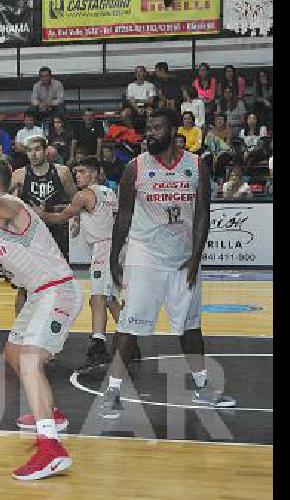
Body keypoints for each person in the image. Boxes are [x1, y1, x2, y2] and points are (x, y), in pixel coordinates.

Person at [0, 158, 82, 481]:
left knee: (31, 361)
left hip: (57, 291)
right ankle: (53, 415)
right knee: (14, 354)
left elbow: (0, 205)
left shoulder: (12, 206)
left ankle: (51, 449)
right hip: (38, 296)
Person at [100, 108, 237, 421]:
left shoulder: (196, 165)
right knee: (129, 324)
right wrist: (114, 258)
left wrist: (196, 256)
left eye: (157, 128)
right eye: (148, 128)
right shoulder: (135, 167)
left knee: (190, 325)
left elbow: (202, 214)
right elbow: (123, 216)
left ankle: (203, 387)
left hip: (183, 257)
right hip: (144, 254)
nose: (150, 133)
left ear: (174, 131)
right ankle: (113, 390)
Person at [32, 158, 122, 372]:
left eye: (81, 172)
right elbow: (89, 210)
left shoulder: (83, 195)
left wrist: (41, 213)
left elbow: (60, 218)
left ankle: (98, 344)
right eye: (75, 172)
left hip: (103, 248)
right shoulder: (109, 192)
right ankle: (131, 340)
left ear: (93, 173)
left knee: (97, 298)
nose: (77, 176)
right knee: (109, 298)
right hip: (117, 246)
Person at [9, 136, 75, 312]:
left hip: (56, 234)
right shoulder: (19, 175)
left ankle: (55, 326)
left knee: (60, 284)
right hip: (31, 237)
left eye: (37, 149)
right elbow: (4, 202)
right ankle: (20, 331)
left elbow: (75, 199)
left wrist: (74, 217)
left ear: (45, 150)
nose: (33, 154)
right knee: (25, 286)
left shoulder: (62, 172)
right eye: (29, 150)